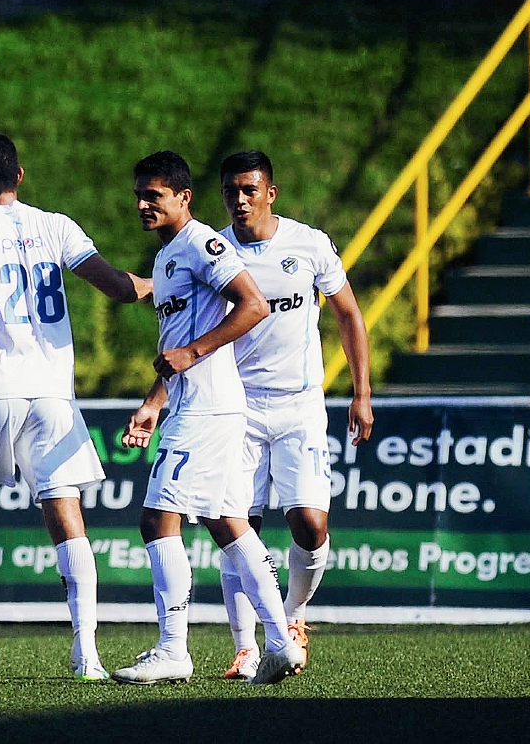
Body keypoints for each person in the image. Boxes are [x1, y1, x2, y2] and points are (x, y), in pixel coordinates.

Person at [0, 133, 152, 680]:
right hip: (53, 392)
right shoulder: (56, 225)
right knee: (65, 512)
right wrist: (162, 283)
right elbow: (117, 286)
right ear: (19, 175)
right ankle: (87, 654)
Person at [114, 150, 305, 685]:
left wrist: (194, 354)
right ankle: (281, 642)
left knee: (157, 520)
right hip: (197, 404)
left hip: (207, 406)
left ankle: (173, 649)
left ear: (184, 198)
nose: (143, 205)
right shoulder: (166, 257)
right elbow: (176, 345)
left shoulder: (202, 244)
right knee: (227, 524)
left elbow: (254, 304)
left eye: (154, 195)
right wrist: (154, 402)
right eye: (139, 196)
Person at [215, 150, 374, 679]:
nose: (240, 200)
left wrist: (362, 393)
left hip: (300, 404)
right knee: (240, 528)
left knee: (310, 522)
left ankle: (291, 617)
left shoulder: (308, 244)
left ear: (270, 193)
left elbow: (348, 313)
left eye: (250, 190)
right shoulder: (215, 252)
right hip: (237, 406)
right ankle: (245, 647)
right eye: (231, 191)